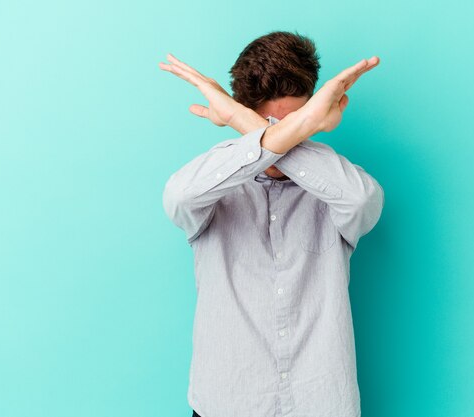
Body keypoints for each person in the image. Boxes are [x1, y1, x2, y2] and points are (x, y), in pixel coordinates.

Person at [159, 30, 384, 417]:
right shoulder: (214, 183)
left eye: (297, 123)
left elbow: (363, 201)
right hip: (226, 403)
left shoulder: (335, 184)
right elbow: (178, 198)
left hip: (320, 403)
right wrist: (284, 128)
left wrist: (244, 123)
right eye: (268, 124)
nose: (284, 137)